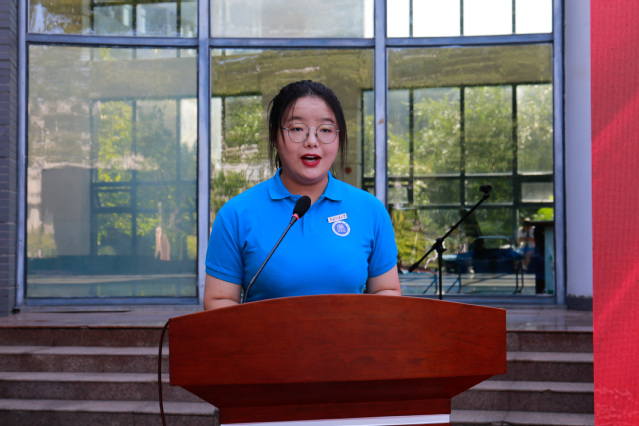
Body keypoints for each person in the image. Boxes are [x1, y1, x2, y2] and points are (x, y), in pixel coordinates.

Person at [203, 80, 401, 310]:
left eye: (325, 130)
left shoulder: (370, 210)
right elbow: (219, 300)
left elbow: (386, 291)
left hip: (350, 335)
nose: (312, 141)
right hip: (266, 335)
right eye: (297, 128)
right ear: (275, 137)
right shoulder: (236, 214)